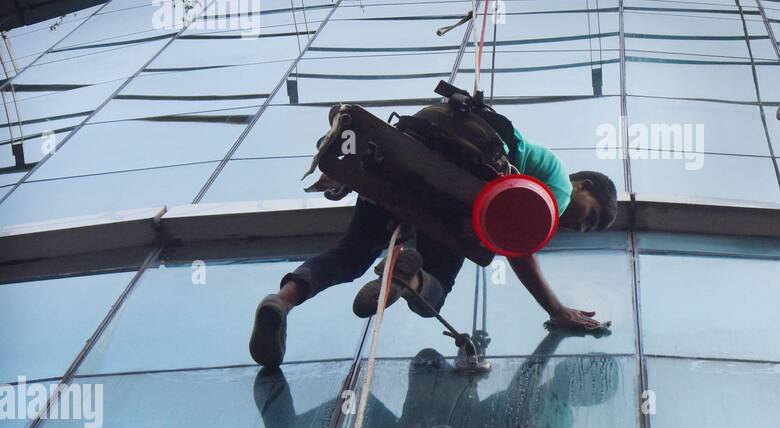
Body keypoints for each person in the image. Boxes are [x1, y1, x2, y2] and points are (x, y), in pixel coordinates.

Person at [248, 99, 619, 368]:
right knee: (433, 293)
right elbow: (519, 246)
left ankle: (282, 301)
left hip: (400, 173)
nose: (578, 226)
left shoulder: (540, 171)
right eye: (590, 217)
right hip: (451, 203)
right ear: (582, 185)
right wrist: (556, 309)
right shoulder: (558, 186)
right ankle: (412, 278)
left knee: (349, 256)